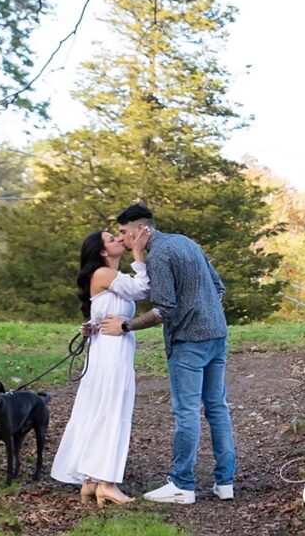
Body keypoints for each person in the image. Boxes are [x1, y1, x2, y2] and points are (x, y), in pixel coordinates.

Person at [100, 203, 236, 505]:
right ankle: (225, 483)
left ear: (141, 230)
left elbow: (163, 310)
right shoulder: (185, 241)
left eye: (124, 232)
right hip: (217, 335)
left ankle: (182, 485)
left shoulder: (159, 255)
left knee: (186, 412)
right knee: (217, 408)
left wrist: (125, 326)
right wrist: (203, 310)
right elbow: (218, 287)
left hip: (188, 342)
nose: (122, 238)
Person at [50, 227, 150, 507]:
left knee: (102, 410)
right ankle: (106, 483)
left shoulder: (108, 277)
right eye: (111, 239)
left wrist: (91, 326)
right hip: (111, 354)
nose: (119, 238)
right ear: (103, 252)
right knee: (111, 410)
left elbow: (105, 310)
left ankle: (92, 481)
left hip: (108, 349)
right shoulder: (104, 274)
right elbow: (142, 288)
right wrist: (139, 253)